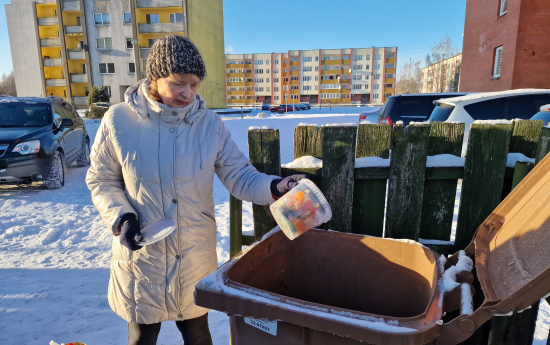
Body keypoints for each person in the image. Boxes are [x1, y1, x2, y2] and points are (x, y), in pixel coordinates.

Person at [85, 35, 304, 345]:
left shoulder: (209, 125)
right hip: (142, 256)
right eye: (178, 83)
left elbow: (238, 173)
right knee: (141, 337)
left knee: (198, 334)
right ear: (156, 78)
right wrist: (122, 217)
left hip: (192, 255)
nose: (187, 92)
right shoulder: (119, 120)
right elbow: (101, 179)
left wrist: (274, 186)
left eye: (194, 84)